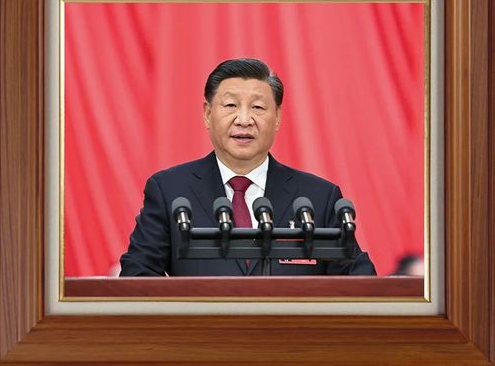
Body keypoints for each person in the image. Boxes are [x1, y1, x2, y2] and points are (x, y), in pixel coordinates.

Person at [120, 58, 376, 276]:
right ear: (207, 114)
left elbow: (361, 284)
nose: (244, 120)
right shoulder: (170, 191)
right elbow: (137, 277)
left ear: (277, 117)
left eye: (258, 107)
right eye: (231, 105)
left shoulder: (318, 197)